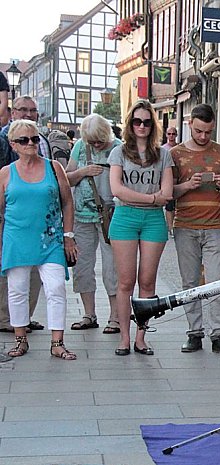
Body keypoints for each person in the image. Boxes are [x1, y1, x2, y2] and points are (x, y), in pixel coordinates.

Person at [0, 119, 78, 360]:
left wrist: (68, 236)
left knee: (55, 288)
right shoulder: (5, 173)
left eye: (34, 139)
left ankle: (57, 342)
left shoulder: (54, 168)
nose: (30, 144)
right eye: (24, 140)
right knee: (17, 290)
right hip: (17, 238)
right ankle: (20, 339)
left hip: (51, 238)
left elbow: (67, 202)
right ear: (13, 145)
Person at [108, 99, 174, 356]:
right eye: (137, 121)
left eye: (147, 122)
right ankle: (124, 337)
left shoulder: (163, 154)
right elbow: (117, 189)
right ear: (130, 124)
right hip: (125, 217)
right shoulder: (119, 152)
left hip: (153, 220)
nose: (142, 126)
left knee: (148, 281)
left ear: (153, 125)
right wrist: (150, 198)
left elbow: (167, 192)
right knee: (126, 281)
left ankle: (141, 336)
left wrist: (151, 198)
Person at [170, 104, 220, 355]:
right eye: (199, 131)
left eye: (208, 132)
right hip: (185, 225)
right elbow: (169, 191)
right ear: (190, 125)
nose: (203, 137)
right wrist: (187, 185)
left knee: (217, 282)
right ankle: (194, 332)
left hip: (216, 226)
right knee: (190, 282)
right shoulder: (175, 154)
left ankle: (218, 334)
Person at [65, 113, 121, 335]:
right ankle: (89, 313)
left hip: (110, 215)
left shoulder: (118, 147)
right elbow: (67, 177)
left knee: (112, 267)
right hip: (81, 215)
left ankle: (115, 316)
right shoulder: (80, 146)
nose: (96, 145)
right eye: (92, 141)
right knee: (83, 266)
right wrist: (83, 172)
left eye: (100, 140)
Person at [162, 126, 178, 233]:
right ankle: (170, 227)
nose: (171, 136)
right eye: (169, 134)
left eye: (173, 134)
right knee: (169, 205)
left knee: (176, 205)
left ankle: (174, 225)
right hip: (167, 180)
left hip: (177, 179)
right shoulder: (163, 149)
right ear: (166, 135)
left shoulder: (179, 148)